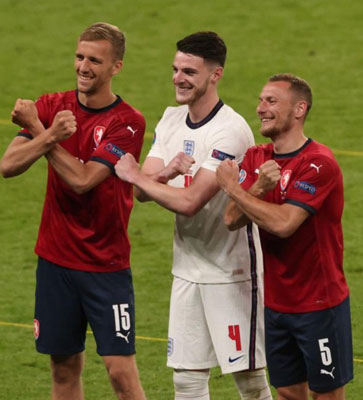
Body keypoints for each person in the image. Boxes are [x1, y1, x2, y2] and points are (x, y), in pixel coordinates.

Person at [115, 32, 272, 400]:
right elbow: (142, 192)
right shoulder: (171, 119)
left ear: (215, 75)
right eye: (175, 69)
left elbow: (188, 201)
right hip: (186, 269)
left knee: (249, 381)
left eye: (189, 71)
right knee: (186, 379)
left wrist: (141, 175)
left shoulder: (229, 131)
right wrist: (162, 173)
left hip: (230, 273)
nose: (178, 78)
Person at [0, 23, 147, 400]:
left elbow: (83, 180)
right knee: (63, 367)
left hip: (106, 266)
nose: (84, 66)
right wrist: (49, 134)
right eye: (80, 56)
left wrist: (37, 128)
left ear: (116, 67)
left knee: (120, 373)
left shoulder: (127, 122)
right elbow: (8, 165)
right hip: (55, 261)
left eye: (95, 60)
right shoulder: (53, 105)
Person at [216, 73, 353, 400]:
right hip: (276, 303)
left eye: (271, 101)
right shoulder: (256, 158)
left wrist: (235, 188)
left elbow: (285, 224)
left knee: (327, 395)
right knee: (289, 393)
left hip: (320, 304)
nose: (261, 108)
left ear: (299, 109)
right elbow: (231, 219)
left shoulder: (318, 164)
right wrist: (259, 187)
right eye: (261, 100)